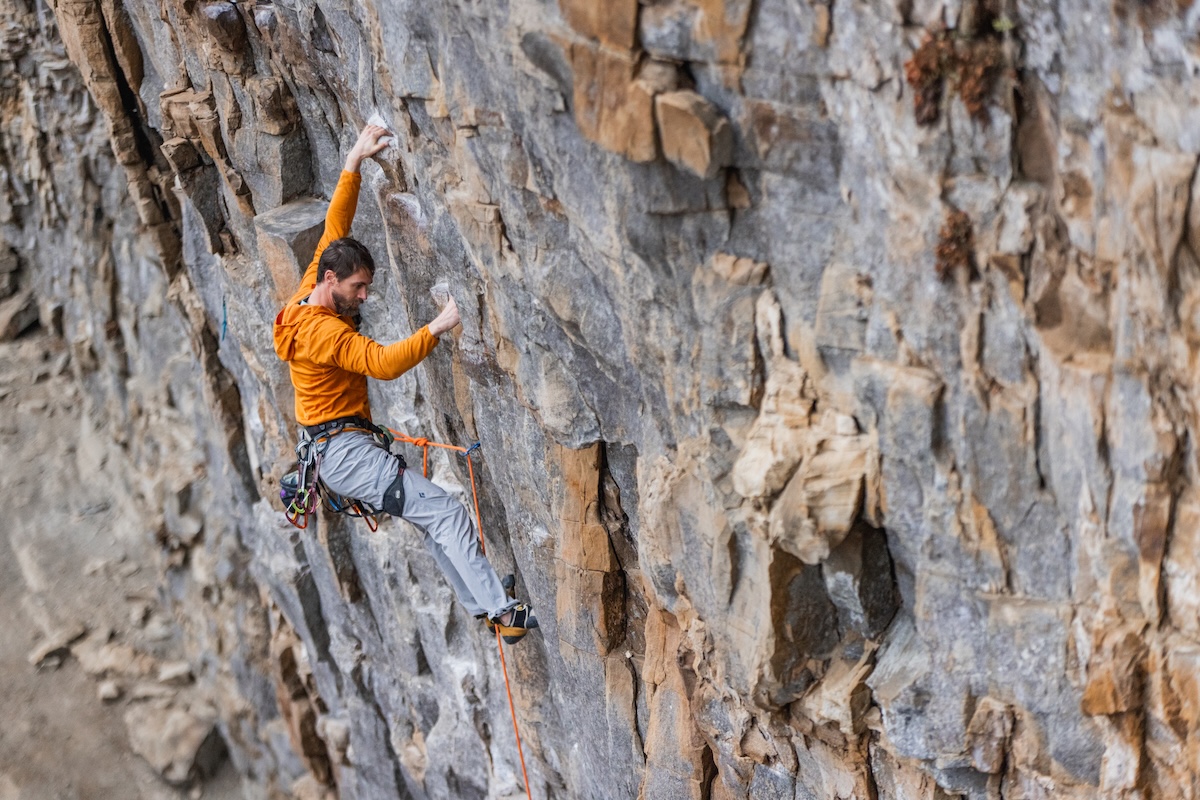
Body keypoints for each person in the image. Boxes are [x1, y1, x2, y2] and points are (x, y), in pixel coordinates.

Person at [273, 124, 538, 643]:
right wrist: (440, 326)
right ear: (333, 282)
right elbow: (385, 362)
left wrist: (352, 162)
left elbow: (334, 227)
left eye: (365, 286)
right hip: (344, 454)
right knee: (445, 511)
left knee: (434, 517)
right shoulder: (323, 334)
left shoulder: (308, 293)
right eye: (358, 287)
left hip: (336, 451)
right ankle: (501, 612)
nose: (364, 296)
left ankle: (486, 604)